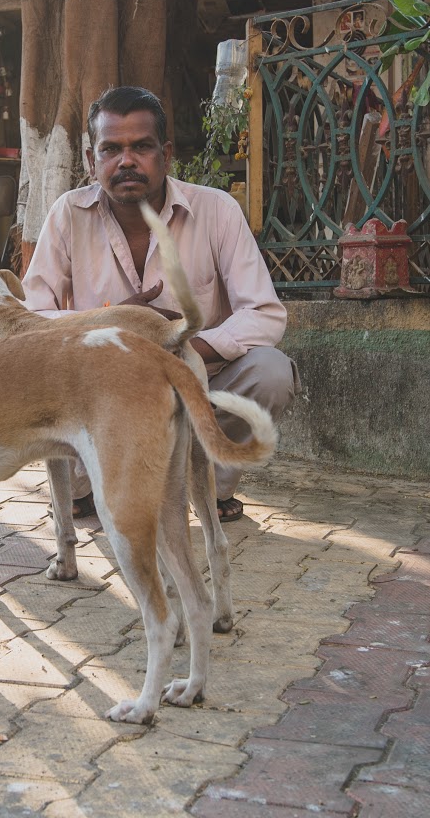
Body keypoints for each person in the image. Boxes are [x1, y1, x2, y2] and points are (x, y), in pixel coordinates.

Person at [21, 85, 297, 521]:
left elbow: (263, 312)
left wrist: (185, 347)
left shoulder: (217, 210)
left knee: (271, 372)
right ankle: (88, 487)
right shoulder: (67, 214)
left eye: (141, 147)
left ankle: (208, 488)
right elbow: (32, 317)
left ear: (165, 153)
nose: (126, 161)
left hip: (197, 383)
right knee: (32, 372)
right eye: (111, 149)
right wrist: (117, 325)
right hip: (103, 393)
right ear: (92, 161)